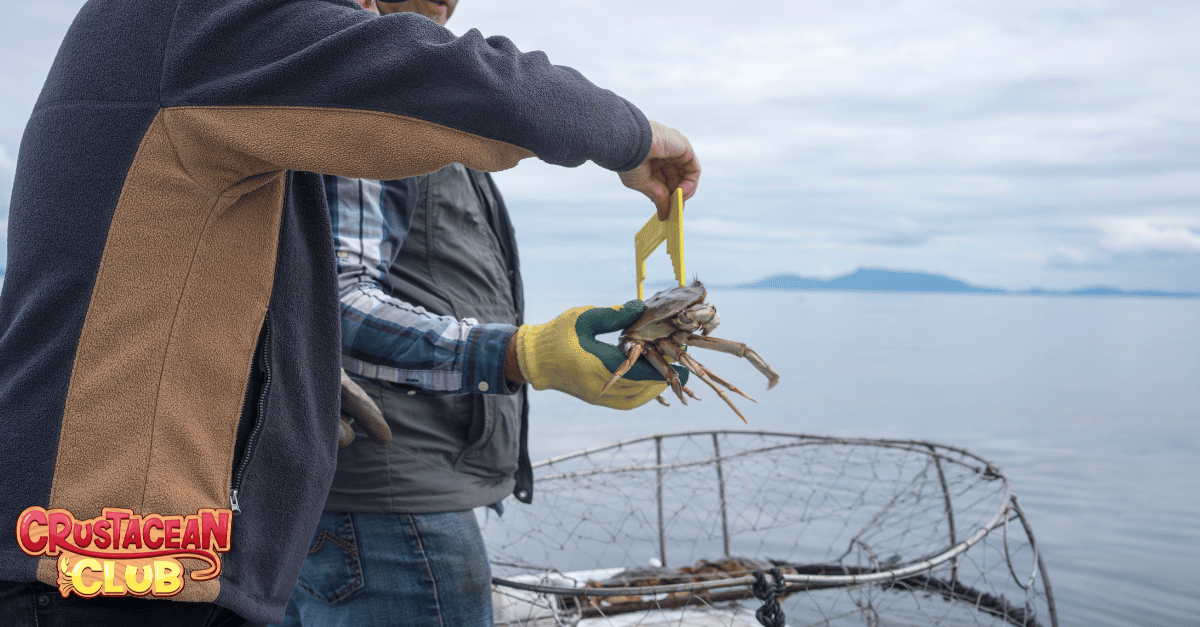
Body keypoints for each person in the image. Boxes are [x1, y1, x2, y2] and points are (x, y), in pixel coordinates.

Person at [0, 0, 700, 624]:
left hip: (140, 564)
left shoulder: (191, 54)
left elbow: (191, 289)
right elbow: (463, 86)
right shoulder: (208, 21)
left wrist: (300, 385)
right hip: (112, 572)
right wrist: (633, 135)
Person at [275, 3, 693, 626]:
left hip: (398, 490)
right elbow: (333, 305)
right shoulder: (365, 95)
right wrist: (525, 354)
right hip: (388, 502)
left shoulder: (424, 115)